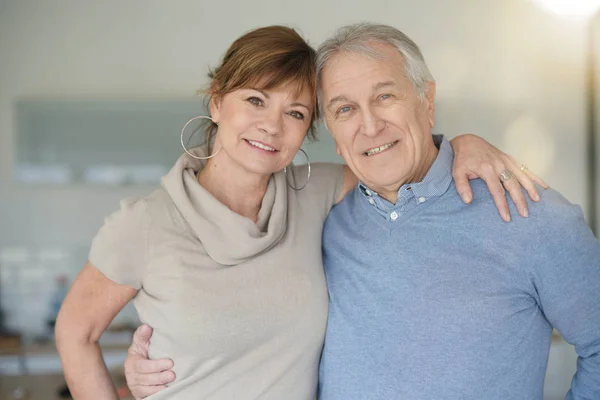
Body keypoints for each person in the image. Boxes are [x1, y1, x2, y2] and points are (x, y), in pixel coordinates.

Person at [56, 25, 544, 400]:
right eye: (255, 100)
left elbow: (405, 163)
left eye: (295, 113)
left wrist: (465, 144)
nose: (272, 126)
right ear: (216, 103)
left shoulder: (317, 192)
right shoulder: (145, 224)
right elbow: (75, 332)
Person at [312, 23, 600, 399]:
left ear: (427, 101)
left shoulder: (530, 215)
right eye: (345, 109)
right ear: (333, 132)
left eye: (384, 97)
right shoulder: (326, 223)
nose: (369, 125)